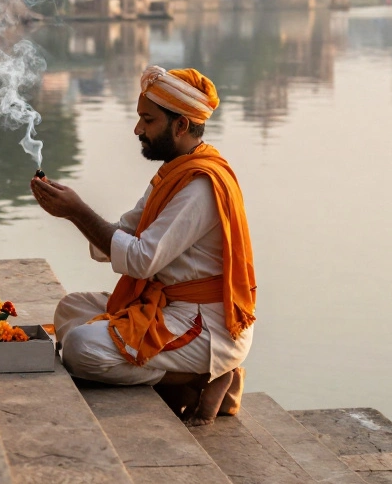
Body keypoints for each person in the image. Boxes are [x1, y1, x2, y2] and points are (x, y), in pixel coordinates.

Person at [30, 65, 256, 426]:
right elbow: (123, 235)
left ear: (180, 125)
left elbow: (140, 260)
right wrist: (70, 212)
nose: (137, 130)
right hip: (168, 306)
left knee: (79, 349)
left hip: (204, 324)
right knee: (70, 310)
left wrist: (78, 211)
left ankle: (199, 378)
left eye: (147, 120)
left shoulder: (199, 187)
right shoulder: (174, 172)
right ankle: (185, 374)